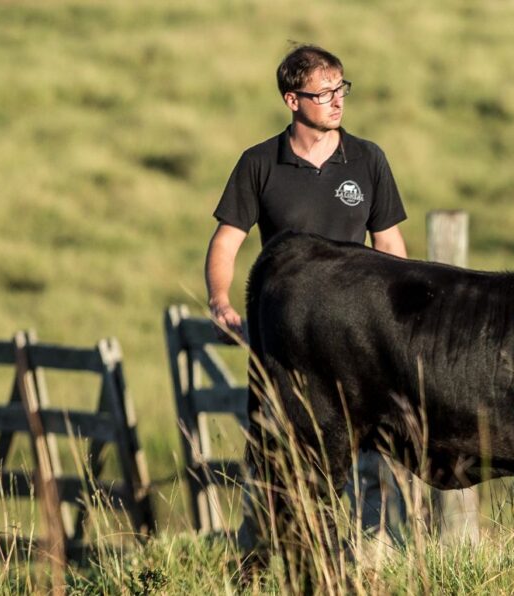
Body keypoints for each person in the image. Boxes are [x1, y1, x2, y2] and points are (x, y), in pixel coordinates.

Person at [204, 44, 409, 557]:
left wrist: (405, 321)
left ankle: (372, 560)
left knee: (370, 448)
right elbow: (227, 241)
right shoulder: (259, 164)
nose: (337, 101)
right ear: (292, 100)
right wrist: (220, 301)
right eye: (324, 93)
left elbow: (389, 246)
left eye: (342, 89)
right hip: (286, 342)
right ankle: (266, 559)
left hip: (357, 338)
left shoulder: (368, 159)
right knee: (279, 448)